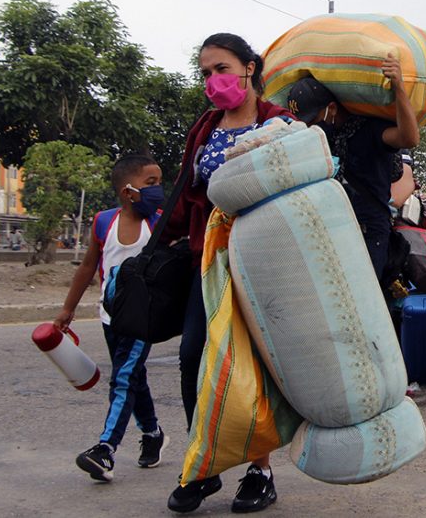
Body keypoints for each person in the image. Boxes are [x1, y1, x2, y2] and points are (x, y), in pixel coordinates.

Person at [164, 33, 292, 514]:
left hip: (261, 263)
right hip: (209, 260)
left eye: (220, 69)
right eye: (204, 72)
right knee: (194, 356)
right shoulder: (205, 127)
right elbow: (186, 192)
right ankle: (206, 465)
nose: (212, 80)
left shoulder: (281, 124)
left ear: (250, 68)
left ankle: (260, 471)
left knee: (253, 365)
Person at [54, 154, 166, 482]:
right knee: (131, 376)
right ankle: (152, 433)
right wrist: (67, 309)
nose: (158, 189)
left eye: (159, 182)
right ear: (127, 191)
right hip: (110, 316)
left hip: (143, 318)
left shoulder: (158, 223)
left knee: (123, 378)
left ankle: (106, 449)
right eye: (151, 183)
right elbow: (89, 266)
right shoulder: (104, 221)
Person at [285, 59, 419, 282]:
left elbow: (409, 138)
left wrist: (399, 88)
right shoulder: (322, 140)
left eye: (313, 120)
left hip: (369, 234)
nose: (310, 128)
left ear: (332, 108)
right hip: (331, 231)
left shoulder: (369, 130)